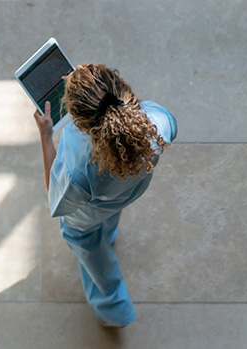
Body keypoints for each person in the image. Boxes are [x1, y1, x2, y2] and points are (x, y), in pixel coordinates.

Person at [32, 63, 177, 327]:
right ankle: (109, 236)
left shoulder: (78, 166)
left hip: (87, 214)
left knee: (90, 249)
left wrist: (46, 135)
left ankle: (115, 311)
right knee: (109, 216)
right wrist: (91, 87)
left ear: (81, 123)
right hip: (128, 192)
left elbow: (57, 197)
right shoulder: (160, 121)